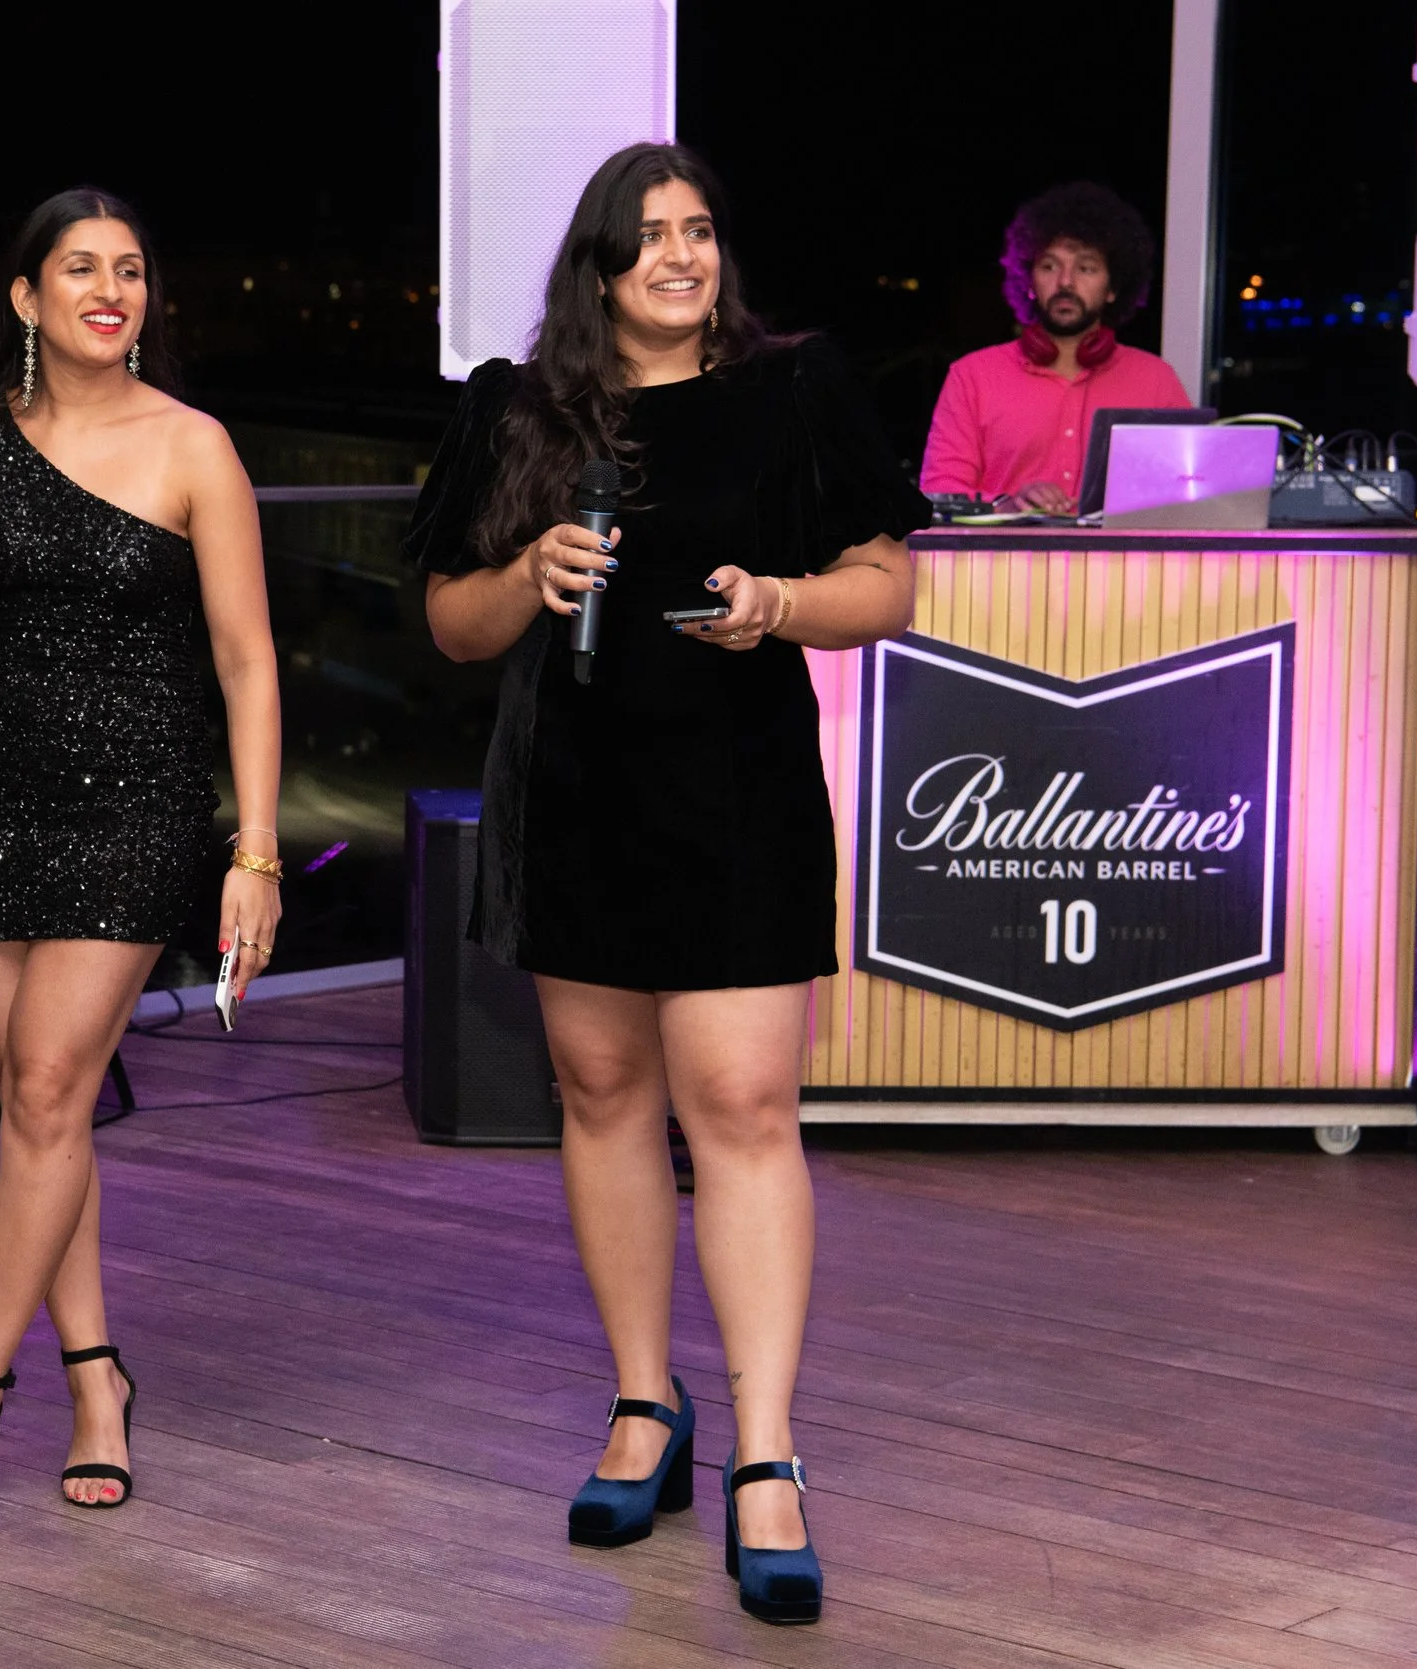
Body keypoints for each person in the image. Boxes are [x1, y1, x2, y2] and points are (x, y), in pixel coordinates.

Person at [405, 142, 925, 1626]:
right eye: (651, 238)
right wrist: (532, 579)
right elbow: (448, 618)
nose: (682, 258)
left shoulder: (795, 390)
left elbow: (889, 585)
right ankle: (649, 1404)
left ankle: (767, 1454)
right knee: (600, 1094)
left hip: (741, 797)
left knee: (748, 1107)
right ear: (601, 266)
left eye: (700, 231)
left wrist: (784, 603)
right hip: (572, 799)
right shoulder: (519, 407)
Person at [0, 187, 284, 1527]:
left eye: (132, 270)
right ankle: (98, 1380)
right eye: (80, 268)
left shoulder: (196, 446)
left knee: (45, 1083)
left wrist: (252, 851)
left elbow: (249, 665)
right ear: (27, 298)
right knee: (49, 1114)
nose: (111, 289)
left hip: (137, 806)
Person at [919, 180, 1190, 513]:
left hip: (1121, 565)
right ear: (1028, 280)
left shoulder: (1156, 380)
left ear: (1113, 289)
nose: (1065, 281)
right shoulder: (972, 376)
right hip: (1005, 564)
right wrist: (1005, 506)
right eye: (1049, 266)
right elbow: (940, 492)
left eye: (1086, 268)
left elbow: (1189, 492)